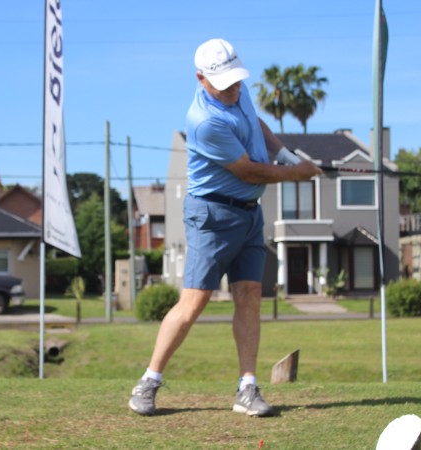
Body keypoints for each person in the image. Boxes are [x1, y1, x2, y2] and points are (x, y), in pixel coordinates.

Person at [129, 38, 322, 417]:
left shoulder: (238, 90)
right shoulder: (204, 122)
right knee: (194, 302)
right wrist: (295, 173)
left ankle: (247, 389)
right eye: (223, 85)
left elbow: (256, 123)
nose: (233, 89)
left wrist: (285, 154)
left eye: (236, 81)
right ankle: (148, 382)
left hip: (249, 214)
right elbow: (249, 170)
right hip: (212, 217)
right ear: (201, 79)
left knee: (250, 295)